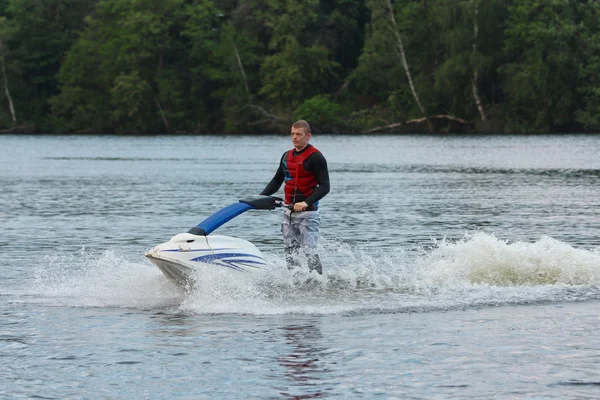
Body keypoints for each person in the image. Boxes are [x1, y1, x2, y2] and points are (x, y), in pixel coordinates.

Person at [260, 120, 330, 274]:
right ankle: (295, 281)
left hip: (308, 213)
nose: (294, 137)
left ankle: (318, 283)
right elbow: (277, 180)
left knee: (309, 251)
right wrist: (261, 197)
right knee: (290, 251)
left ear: (308, 136)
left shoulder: (316, 157)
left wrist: (305, 202)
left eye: (299, 134)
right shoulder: (286, 156)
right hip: (288, 212)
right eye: (292, 134)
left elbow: (325, 186)